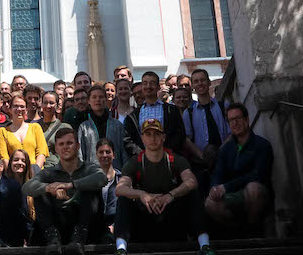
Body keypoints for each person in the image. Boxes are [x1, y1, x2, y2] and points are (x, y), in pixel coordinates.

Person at [114, 118, 212, 254]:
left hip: (172, 221)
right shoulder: (135, 162)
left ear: (163, 137)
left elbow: (191, 181)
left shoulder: (176, 160)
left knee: (193, 194)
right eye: (148, 134)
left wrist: (171, 196)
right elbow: (119, 189)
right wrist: (142, 195)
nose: (152, 138)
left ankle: (204, 245)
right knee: (124, 200)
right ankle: (121, 249)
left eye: (156, 134)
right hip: (145, 222)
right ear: (142, 138)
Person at [23, 124, 106, 253]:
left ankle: (79, 237)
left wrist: (71, 185)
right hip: (59, 224)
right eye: (61, 144)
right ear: (56, 148)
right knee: (39, 191)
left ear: (77, 146)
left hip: (86, 227)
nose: (65, 147)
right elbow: (26, 188)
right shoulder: (49, 172)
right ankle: (52, 238)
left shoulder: (89, 168)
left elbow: (102, 178)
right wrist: (49, 188)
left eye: (69, 143)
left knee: (90, 188)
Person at [205, 102, 273, 231]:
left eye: (238, 119)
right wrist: (214, 188)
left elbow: (258, 175)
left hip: (256, 196)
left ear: (247, 119)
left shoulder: (262, 145)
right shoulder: (226, 150)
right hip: (232, 196)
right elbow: (218, 174)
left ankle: (254, 231)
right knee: (209, 203)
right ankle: (240, 231)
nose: (235, 123)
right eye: (231, 120)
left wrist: (226, 187)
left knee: (253, 188)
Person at [123, 71, 186, 158]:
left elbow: (179, 134)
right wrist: (142, 154)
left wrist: (165, 153)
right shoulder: (133, 115)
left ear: (158, 87)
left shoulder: (171, 110)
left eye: (152, 83)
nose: (148, 86)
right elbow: (128, 140)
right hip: (142, 162)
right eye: (145, 83)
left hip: (168, 160)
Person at [184, 69, 230, 170]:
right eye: (196, 81)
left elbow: (231, 132)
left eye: (202, 80)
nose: (200, 83)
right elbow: (187, 140)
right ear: (192, 86)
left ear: (209, 82)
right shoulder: (188, 113)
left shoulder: (223, 106)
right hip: (202, 164)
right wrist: (202, 156)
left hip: (225, 159)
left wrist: (221, 152)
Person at [78, 85, 126, 169]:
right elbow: (80, 154)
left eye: (101, 97)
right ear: (89, 101)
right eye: (94, 97)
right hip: (92, 174)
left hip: (115, 172)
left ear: (106, 99)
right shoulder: (84, 127)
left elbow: (124, 152)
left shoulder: (117, 125)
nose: (98, 100)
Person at [0, 94, 48, 168]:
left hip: (35, 175)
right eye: (15, 106)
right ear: (10, 109)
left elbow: (41, 152)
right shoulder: (3, 132)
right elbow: (4, 157)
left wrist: (36, 171)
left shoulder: (36, 128)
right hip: (14, 175)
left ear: (26, 109)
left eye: (22, 106)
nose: (19, 109)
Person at [96, 138, 119, 234]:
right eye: (101, 152)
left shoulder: (122, 180)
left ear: (114, 155)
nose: (104, 155)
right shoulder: (91, 180)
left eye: (108, 152)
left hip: (117, 226)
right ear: (96, 155)